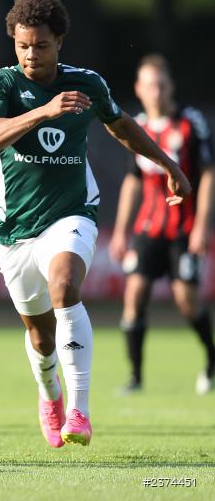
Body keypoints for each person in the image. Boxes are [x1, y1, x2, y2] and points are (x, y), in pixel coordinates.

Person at [0, 0, 192, 448]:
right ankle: (50, 394)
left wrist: (168, 165)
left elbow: (120, 124)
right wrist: (43, 111)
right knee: (39, 334)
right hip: (15, 228)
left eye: (42, 45)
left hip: (72, 212)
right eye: (24, 45)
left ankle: (80, 411)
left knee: (65, 284)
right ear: (15, 42)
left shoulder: (86, 84)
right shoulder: (3, 85)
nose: (32, 55)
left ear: (60, 42)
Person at [109, 54, 215, 395]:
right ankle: (135, 377)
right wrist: (121, 230)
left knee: (187, 301)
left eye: (162, 84)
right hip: (147, 230)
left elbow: (209, 173)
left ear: (170, 86)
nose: (157, 91)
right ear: (139, 89)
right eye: (149, 85)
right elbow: (133, 180)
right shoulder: (135, 127)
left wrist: (202, 225)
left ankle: (211, 360)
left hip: (183, 230)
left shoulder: (190, 122)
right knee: (134, 294)